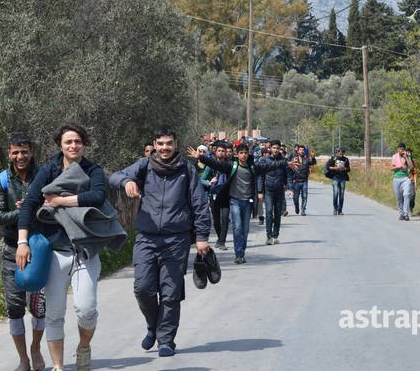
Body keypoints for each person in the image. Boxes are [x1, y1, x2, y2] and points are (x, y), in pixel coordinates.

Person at [110, 127, 211, 357]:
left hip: (177, 239)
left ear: (176, 144)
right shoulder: (145, 165)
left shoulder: (186, 169)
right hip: (146, 237)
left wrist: (202, 237)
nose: (164, 147)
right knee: (143, 288)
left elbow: (199, 202)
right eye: (160, 143)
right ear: (154, 145)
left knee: (170, 292)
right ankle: (152, 326)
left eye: (169, 143)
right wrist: (126, 181)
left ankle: (166, 340)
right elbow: (114, 176)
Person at [16, 123, 107, 371]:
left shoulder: (93, 170)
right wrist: (22, 242)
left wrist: (59, 201)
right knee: (54, 313)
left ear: (84, 144)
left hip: (85, 250)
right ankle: (58, 366)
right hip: (55, 251)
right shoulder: (49, 170)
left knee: (86, 309)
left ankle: (84, 346)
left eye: (77, 141)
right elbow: (29, 204)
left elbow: (97, 196)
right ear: (61, 145)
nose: (73, 146)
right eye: (68, 142)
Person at [0, 133, 46, 371]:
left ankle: (36, 347)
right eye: (15, 152)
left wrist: (34, 208)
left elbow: (54, 204)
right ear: (9, 153)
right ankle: (23, 358)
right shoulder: (1, 180)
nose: (20, 156)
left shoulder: (44, 175)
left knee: (39, 307)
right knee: (14, 308)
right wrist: (21, 212)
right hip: (12, 250)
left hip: (39, 250)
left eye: (24, 151)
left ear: (31, 152)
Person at [189, 143, 288, 264]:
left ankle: (242, 254)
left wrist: (285, 163)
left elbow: (269, 165)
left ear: (248, 154)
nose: (244, 155)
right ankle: (238, 254)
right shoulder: (231, 166)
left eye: (245, 153)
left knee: (245, 230)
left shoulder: (253, 167)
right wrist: (201, 157)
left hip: (248, 203)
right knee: (237, 228)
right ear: (237, 154)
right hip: (234, 201)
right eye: (241, 153)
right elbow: (216, 164)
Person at [256, 140, 292, 244]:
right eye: (274, 148)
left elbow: (288, 175)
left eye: (277, 148)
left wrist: (288, 187)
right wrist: (259, 191)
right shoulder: (264, 160)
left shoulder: (284, 161)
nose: (276, 150)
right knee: (268, 212)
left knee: (277, 213)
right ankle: (269, 236)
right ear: (270, 148)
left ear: (280, 149)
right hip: (268, 191)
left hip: (279, 191)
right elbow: (260, 176)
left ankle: (275, 235)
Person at [204, 141, 231, 250]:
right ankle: (220, 238)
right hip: (214, 195)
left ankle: (222, 242)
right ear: (215, 152)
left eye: (223, 151)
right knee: (216, 220)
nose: (221, 153)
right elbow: (200, 179)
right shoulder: (210, 165)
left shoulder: (230, 165)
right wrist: (209, 182)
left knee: (225, 218)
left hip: (227, 195)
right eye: (219, 151)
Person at [289, 145, 317, 216]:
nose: (302, 151)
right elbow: (289, 168)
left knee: (304, 196)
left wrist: (313, 157)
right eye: (300, 150)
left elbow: (313, 163)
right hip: (296, 181)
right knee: (295, 197)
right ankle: (297, 207)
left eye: (303, 150)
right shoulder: (294, 159)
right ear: (298, 151)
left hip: (304, 181)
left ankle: (303, 210)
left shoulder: (307, 159)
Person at [391, 143, 414, 221]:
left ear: (404, 149)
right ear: (398, 149)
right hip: (396, 178)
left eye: (403, 149)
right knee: (399, 198)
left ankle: (406, 213)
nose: (401, 150)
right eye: (400, 149)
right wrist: (399, 167)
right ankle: (401, 213)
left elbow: (411, 167)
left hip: (405, 178)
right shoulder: (394, 156)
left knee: (407, 194)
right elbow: (391, 168)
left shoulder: (407, 156)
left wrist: (407, 157)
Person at [324, 148, 350, 216]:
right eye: (340, 153)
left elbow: (348, 169)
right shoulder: (334, 159)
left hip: (343, 178)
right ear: (337, 152)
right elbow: (328, 167)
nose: (341, 154)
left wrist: (344, 168)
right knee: (336, 194)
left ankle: (340, 210)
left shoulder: (346, 159)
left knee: (341, 195)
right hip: (335, 177)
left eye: (343, 153)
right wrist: (336, 168)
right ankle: (335, 209)